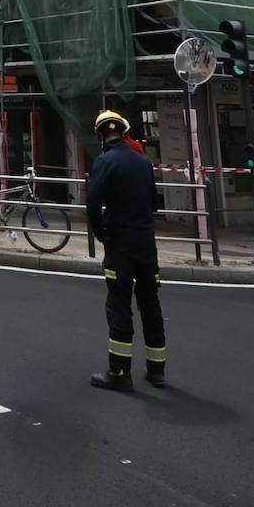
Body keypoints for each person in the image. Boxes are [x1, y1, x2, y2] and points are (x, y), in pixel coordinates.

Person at [87, 109, 166, 392]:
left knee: (119, 305)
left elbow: (93, 206)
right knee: (150, 304)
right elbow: (154, 205)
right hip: (146, 243)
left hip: (119, 244)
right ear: (123, 131)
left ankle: (120, 372)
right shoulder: (143, 162)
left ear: (100, 134)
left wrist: (102, 234)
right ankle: (157, 371)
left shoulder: (104, 162)